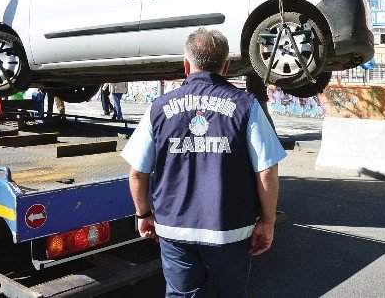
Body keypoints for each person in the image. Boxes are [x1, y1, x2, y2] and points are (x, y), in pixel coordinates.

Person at [121, 27, 287, 297]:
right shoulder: (246, 106)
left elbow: (137, 173)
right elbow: (267, 171)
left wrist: (143, 214)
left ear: (186, 64)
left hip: (174, 229)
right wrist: (267, 221)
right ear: (227, 66)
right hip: (230, 231)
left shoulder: (158, 108)